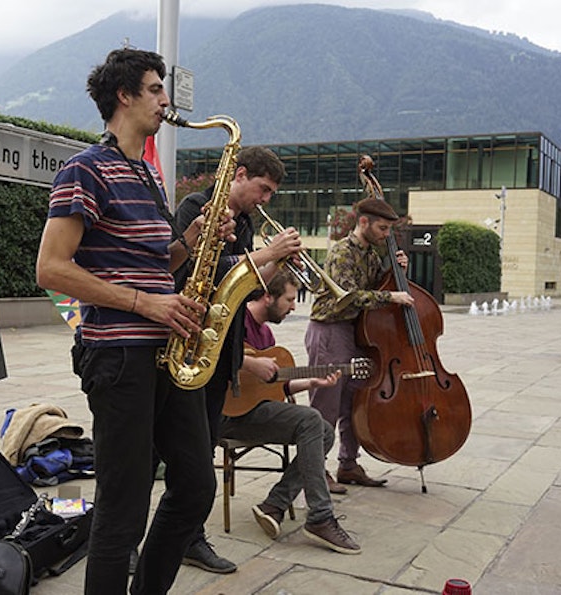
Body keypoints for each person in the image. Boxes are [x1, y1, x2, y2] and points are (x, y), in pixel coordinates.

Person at [35, 48, 230, 595]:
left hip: (167, 351)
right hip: (119, 356)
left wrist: (192, 242)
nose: (165, 100)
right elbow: (50, 268)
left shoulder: (146, 172)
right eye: (153, 89)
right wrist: (147, 304)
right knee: (122, 509)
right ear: (123, 96)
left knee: (194, 488)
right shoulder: (85, 168)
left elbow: (152, 264)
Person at [173, 146, 304, 573]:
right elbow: (197, 276)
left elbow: (245, 289)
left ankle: (190, 538)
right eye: (262, 189)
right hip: (191, 347)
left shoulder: (244, 222)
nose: (265, 199)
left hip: (219, 355)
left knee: (199, 458)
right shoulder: (197, 208)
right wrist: (267, 255)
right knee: (185, 462)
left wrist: (275, 265)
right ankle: (159, 539)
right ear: (240, 174)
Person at [220, 271, 361, 554]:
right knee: (311, 420)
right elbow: (216, 357)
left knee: (323, 431)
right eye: (290, 299)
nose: (294, 307)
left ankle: (275, 504)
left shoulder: (266, 333)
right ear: (267, 297)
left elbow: (274, 387)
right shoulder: (235, 322)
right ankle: (320, 516)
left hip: (257, 412)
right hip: (226, 415)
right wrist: (248, 363)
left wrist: (312, 381)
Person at [304, 156, 415, 490]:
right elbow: (349, 296)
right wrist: (391, 297)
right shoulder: (342, 252)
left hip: (353, 333)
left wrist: (396, 273)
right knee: (325, 403)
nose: (386, 235)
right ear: (364, 222)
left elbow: (375, 288)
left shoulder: (371, 253)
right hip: (329, 331)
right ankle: (316, 471)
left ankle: (348, 465)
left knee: (353, 400)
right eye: (382, 229)